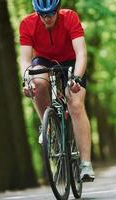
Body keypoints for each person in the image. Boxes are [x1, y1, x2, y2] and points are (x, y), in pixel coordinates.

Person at [19, 0, 95, 182]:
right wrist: (27, 80)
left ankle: (85, 164)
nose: (47, 19)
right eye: (42, 15)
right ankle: (48, 126)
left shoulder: (70, 18)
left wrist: (76, 77)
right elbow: (24, 59)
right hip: (44, 60)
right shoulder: (27, 24)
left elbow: (81, 53)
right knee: (38, 83)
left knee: (75, 103)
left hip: (71, 61)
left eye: (51, 13)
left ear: (58, 9)